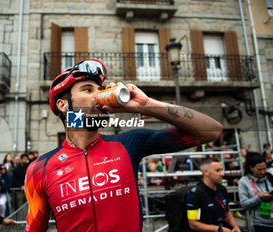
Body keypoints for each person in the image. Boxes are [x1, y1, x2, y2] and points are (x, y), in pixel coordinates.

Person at [24, 58, 223, 231]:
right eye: (87, 89)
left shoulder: (128, 144)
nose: (98, 96)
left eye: (100, 90)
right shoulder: (39, 170)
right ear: (63, 104)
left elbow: (211, 131)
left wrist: (147, 106)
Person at [186, 158, 241, 232]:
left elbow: (227, 210)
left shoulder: (222, 189)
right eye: (218, 170)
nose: (222, 174)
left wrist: (235, 227)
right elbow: (193, 224)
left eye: (222, 170)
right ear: (206, 172)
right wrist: (218, 229)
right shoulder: (195, 194)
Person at [238, 152, 273, 232]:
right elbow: (244, 204)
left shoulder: (269, 177)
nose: (263, 172)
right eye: (259, 169)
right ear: (251, 167)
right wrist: (259, 197)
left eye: (264, 169)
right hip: (259, 223)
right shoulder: (244, 181)